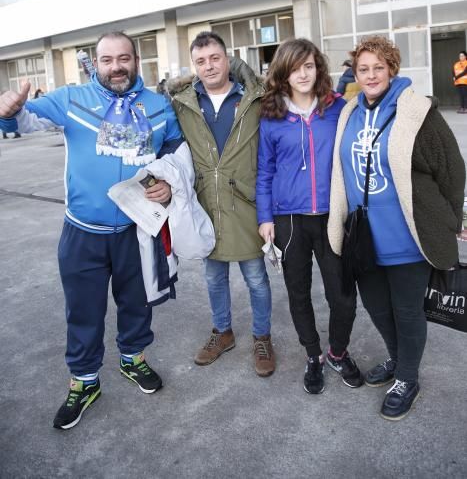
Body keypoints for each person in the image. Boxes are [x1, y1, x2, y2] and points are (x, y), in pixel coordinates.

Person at [0, 32, 183, 430]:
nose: (116, 66)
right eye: (106, 60)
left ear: (136, 60)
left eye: (123, 58)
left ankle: (133, 357)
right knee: (83, 310)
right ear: (95, 64)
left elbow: (175, 152)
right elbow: (27, 119)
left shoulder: (159, 107)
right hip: (83, 231)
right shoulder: (71, 100)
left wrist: (170, 183)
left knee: (137, 302)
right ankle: (84, 381)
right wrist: (10, 113)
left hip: (138, 228)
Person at [328, 35, 465, 421]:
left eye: (378, 67)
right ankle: (397, 358)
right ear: (355, 73)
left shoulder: (416, 112)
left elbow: (452, 170)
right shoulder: (349, 112)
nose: (371, 75)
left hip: (407, 235)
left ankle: (407, 378)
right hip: (364, 239)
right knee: (377, 308)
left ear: (392, 69)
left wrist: (452, 218)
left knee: (407, 312)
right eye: (363, 69)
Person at [256, 38, 363, 395]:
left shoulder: (337, 108)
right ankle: (314, 355)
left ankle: (337, 351)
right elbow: (265, 172)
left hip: (332, 215)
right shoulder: (271, 116)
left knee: (343, 295)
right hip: (289, 220)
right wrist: (265, 216)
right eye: (294, 67)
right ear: (282, 73)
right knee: (298, 293)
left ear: (318, 68)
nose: (302, 74)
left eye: (309, 66)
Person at [170, 31, 275, 377]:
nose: (209, 66)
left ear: (227, 59)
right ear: (194, 66)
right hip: (205, 205)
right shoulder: (183, 103)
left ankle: (262, 337)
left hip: (245, 204)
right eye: (200, 61)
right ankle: (223, 331)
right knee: (213, 277)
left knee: (256, 278)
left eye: (214, 58)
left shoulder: (254, 98)